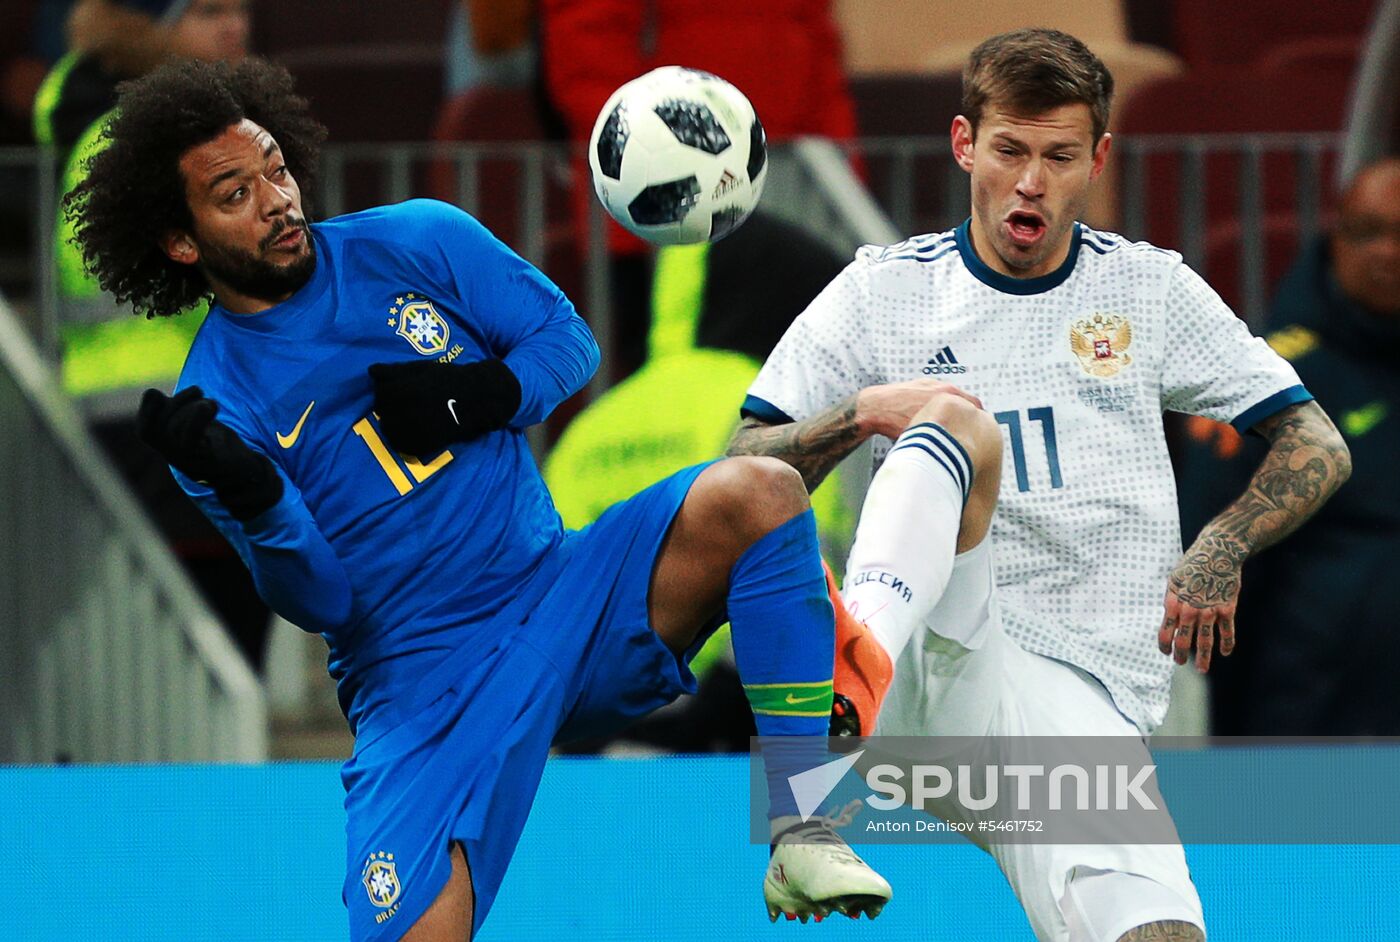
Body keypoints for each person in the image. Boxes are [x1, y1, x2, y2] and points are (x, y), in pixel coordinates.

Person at [64, 58, 891, 938]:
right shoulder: (217, 411)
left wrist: (473, 397)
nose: (276, 198)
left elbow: (563, 341)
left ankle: (804, 826)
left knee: (761, 490)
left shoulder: (415, 238)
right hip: (419, 684)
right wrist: (261, 499)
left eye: (276, 166)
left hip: (562, 590)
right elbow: (322, 601)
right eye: (234, 193)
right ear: (182, 243)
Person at [730, 28, 1351, 942]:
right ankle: (848, 686)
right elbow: (748, 463)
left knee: (1160, 933)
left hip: (1075, 705)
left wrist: (1221, 542)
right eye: (1010, 151)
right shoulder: (882, 292)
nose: (1032, 181)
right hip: (921, 655)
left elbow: (1317, 441)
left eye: (1059, 156)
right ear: (963, 144)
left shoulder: (1146, 290)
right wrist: (861, 412)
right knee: (953, 421)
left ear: (1097, 158)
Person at [1181, 156, 1400, 736]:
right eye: (1367, 231)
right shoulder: (1269, 379)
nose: (1387, 252)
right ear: (1334, 240)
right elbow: (1208, 542)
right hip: (1307, 709)